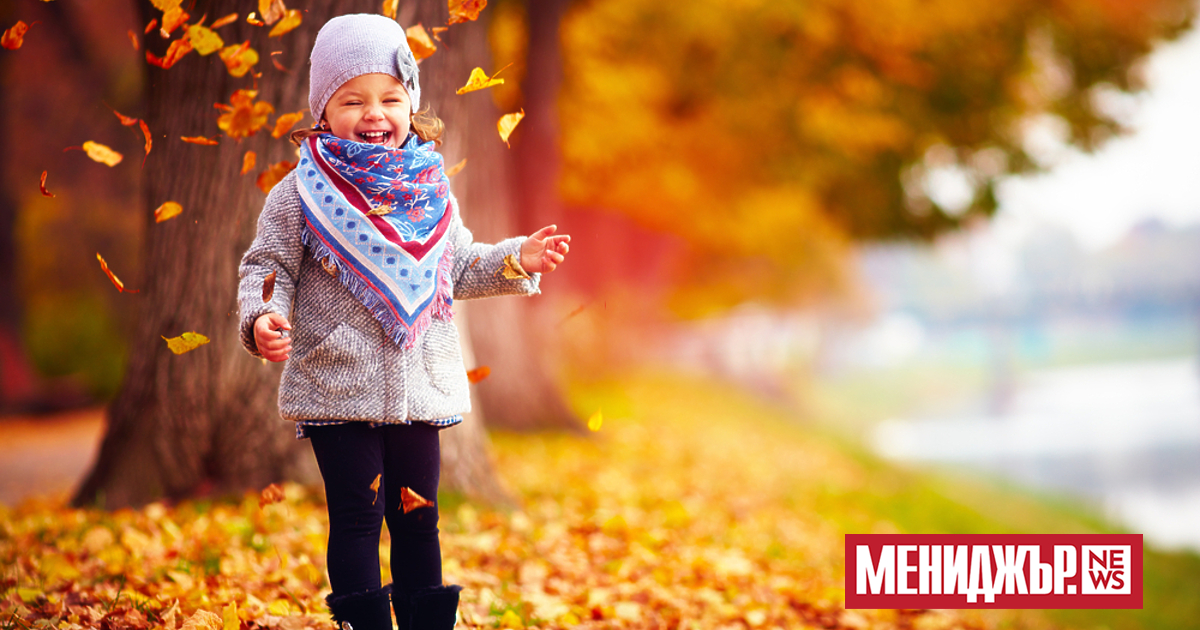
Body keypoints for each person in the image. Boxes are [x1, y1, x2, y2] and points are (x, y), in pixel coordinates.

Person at [236, 13, 569, 630]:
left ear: (411, 106)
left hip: (420, 388)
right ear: (322, 110)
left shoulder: (430, 186)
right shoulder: (299, 193)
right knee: (358, 520)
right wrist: (262, 316)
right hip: (339, 387)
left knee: (420, 518)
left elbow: (458, 267)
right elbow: (268, 265)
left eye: (391, 98)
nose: (375, 113)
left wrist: (515, 258)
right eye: (353, 100)